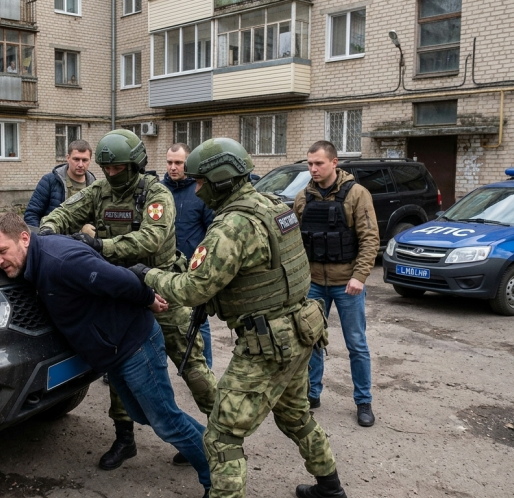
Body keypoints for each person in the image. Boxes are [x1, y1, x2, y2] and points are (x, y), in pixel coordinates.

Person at [134, 137, 347, 498]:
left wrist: (147, 275)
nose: (197, 190)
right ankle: (330, 486)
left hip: (268, 344)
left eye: (201, 182)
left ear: (220, 181)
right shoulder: (273, 206)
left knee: (221, 435)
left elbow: (191, 290)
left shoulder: (232, 226)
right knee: (295, 416)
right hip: (301, 329)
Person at [0, 212, 211, 497]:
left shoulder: (61, 262)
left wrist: (149, 299)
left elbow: (118, 278)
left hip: (133, 343)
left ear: (25, 238)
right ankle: (205, 445)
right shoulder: (38, 261)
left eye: (2, 251)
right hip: (112, 351)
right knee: (143, 415)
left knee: (166, 421)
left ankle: (216, 477)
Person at [40, 129, 217, 470]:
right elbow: (65, 212)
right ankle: (124, 438)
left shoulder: (156, 194)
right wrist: (47, 232)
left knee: (193, 370)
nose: (110, 173)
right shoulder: (100, 190)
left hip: (163, 291)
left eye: (118, 168)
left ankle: (219, 436)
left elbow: (150, 240)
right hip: (121, 295)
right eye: (106, 168)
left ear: (135, 164)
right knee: (118, 366)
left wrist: (100, 247)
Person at [293, 140, 379, 427]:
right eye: (309, 163)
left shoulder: (357, 194)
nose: (313, 169)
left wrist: (360, 276)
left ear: (334, 162)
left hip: (347, 284)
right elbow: (294, 240)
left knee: (356, 344)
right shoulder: (303, 197)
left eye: (318, 163)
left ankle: (363, 401)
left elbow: (370, 239)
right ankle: (312, 393)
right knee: (312, 340)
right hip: (313, 283)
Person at [162, 142, 214, 369]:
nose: (173, 167)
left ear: (188, 163)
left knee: (199, 321)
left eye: (179, 163)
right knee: (161, 321)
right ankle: (157, 368)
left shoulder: (200, 192)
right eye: (170, 162)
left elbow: (213, 231)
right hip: (163, 269)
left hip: (193, 270)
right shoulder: (158, 191)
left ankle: (205, 367)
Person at [23, 140, 96, 227]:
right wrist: (43, 237)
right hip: (53, 238)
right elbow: (31, 215)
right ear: (68, 158)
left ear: (90, 160)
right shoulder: (49, 181)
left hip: (83, 239)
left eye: (84, 160)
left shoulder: (95, 186)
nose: (80, 164)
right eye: (76, 159)